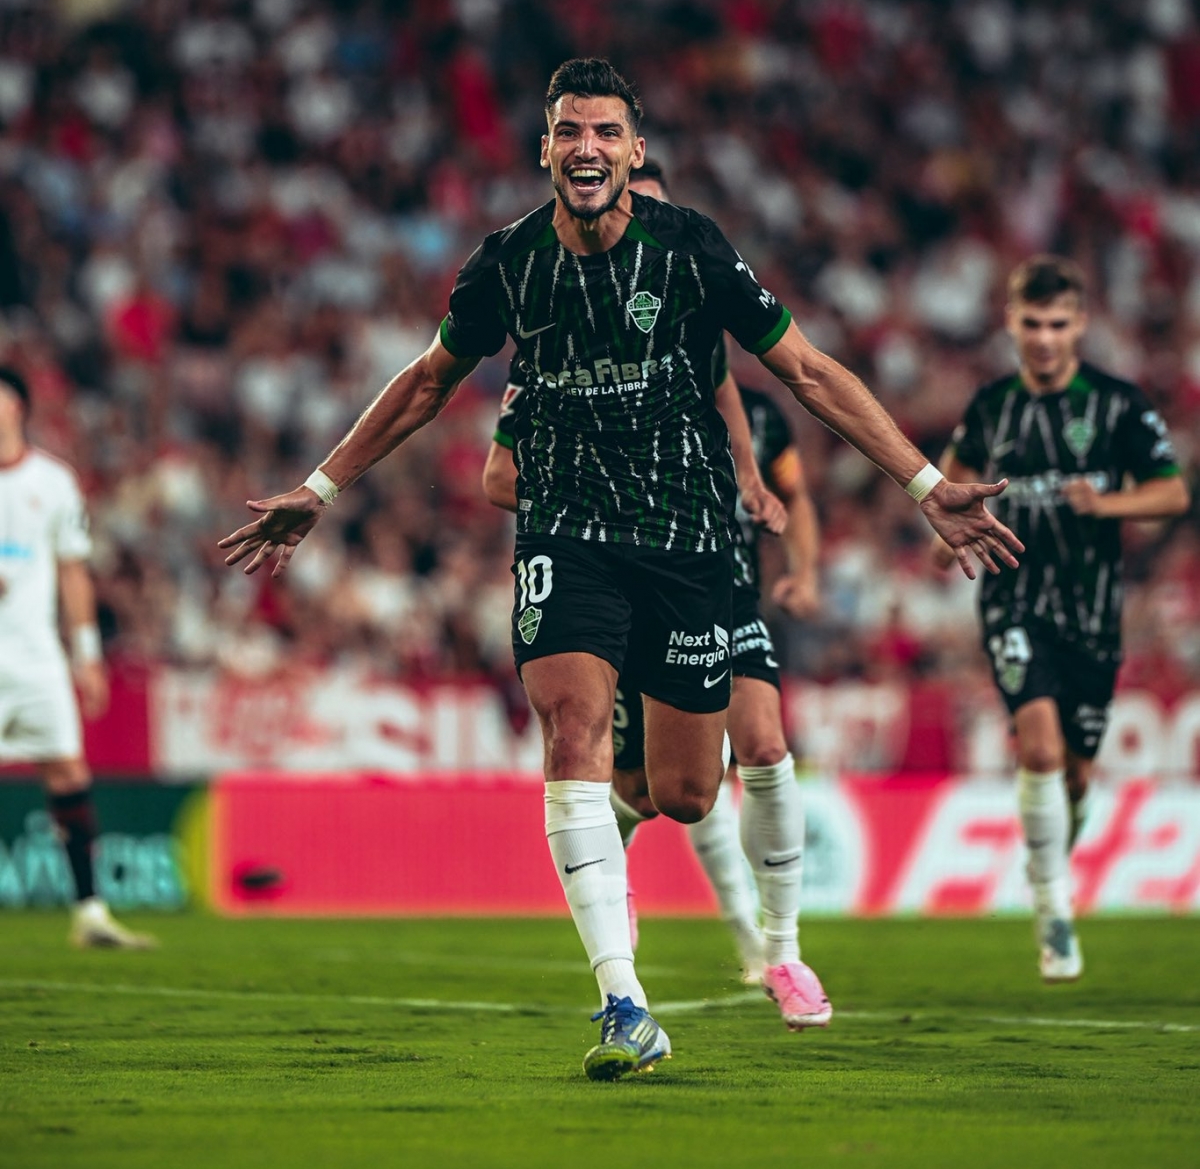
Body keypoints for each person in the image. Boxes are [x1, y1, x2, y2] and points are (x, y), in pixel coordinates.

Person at [220, 57, 1021, 1081]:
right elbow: (428, 382)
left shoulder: (690, 249)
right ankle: (621, 999)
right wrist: (320, 488)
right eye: (569, 131)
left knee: (688, 792)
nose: (586, 147)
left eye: (606, 131)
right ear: (545, 149)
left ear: (635, 150)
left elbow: (807, 370)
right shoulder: (506, 263)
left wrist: (923, 483)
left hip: (688, 539)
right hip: (565, 531)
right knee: (572, 729)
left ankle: (723, 909)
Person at [484, 160, 831, 1030]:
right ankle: (615, 889)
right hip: (614, 575)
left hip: (715, 573)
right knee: (654, 788)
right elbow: (498, 472)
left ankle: (781, 951)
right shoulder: (563, 346)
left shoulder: (715, 352)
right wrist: (590, 498)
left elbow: (763, 437)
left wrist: (755, 488)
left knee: (761, 740)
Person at [932, 256, 1188, 982]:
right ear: (1011, 322)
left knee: (1074, 775)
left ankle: (1049, 859)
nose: (1043, 338)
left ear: (1079, 324)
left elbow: (1170, 493)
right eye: (1031, 323)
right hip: (1014, 602)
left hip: (1095, 615)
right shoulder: (991, 405)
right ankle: (1055, 912)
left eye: (1057, 324)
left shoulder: (1117, 402)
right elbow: (950, 479)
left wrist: (1104, 505)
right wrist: (940, 532)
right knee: (1038, 749)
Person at [0, 366, 154, 949]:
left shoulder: (54, 482)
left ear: (18, 408)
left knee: (68, 773)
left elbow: (72, 572)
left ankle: (90, 913)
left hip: (36, 657)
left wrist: (86, 655)